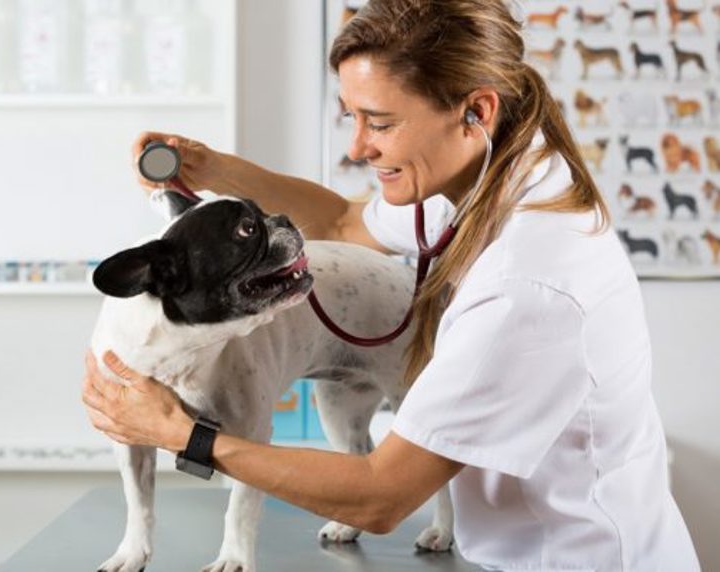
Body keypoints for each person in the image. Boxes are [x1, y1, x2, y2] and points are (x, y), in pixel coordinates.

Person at [82, 0, 700, 569]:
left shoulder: (528, 286)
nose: (357, 147)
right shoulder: (487, 173)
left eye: (379, 122)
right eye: (351, 118)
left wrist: (179, 434)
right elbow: (343, 223)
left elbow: (381, 497)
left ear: (475, 111)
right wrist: (213, 168)